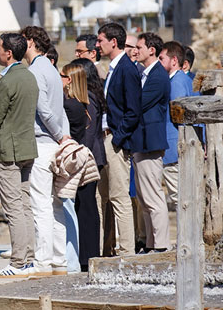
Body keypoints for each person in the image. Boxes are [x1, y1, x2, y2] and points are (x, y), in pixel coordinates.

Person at [0, 33, 39, 278]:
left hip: (8, 150)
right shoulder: (29, 76)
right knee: (25, 204)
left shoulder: (7, 82)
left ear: (8, 53)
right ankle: (29, 258)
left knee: (13, 207)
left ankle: (17, 262)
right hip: (27, 146)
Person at [21, 25, 70, 276]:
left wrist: (60, 135)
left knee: (40, 204)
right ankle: (59, 261)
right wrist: (64, 135)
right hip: (56, 143)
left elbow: (45, 111)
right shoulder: (50, 69)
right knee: (56, 204)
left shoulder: (36, 70)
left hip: (43, 142)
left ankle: (42, 262)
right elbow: (58, 110)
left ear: (30, 42)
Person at [96, 22, 141, 257]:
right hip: (106, 138)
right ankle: (107, 248)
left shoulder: (126, 68)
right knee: (103, 195)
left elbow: (134, 110)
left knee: (119, 197)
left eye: (100, 40)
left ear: (113, 42)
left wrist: (117, 139)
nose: (97, 44)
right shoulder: (115, 68)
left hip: (115, 140)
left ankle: (127, 251)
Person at [62, 59, 106, 271]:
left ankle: (89, 256)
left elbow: (87, 136)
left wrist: (79, 161)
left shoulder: (87, 103)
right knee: (83, 207)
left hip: (87, 160)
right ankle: (86, 254)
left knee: (87, 208)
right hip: (88, 159)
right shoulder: (86, 101)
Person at [132, 32, 170, 253]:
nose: (136, 51)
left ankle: (162, 245)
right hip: (140, 142)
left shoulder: (157, 76)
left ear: (151, 50)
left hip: (150, 142)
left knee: (153, 196)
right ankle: (150, 243)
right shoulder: (145, 74)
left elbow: (140, 103)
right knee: (144, 198)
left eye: (139, 47)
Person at [159, 41, 195, 208]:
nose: (158, 62)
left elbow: (179, 117)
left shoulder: (176, 82)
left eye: (161, 58)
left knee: (179, 199)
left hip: (174, 147)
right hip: (181, 146)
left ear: (174, 60)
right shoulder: (185, 79)